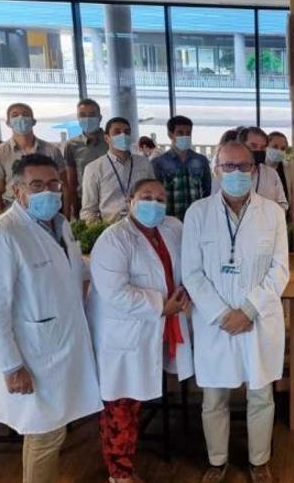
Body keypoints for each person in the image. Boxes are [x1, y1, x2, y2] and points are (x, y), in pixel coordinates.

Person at [0, 154, 102, 483]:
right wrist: (10, 365)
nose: (48, 192)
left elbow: (70, 272)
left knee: (53, 432)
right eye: (36, 185)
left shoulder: (60, 225)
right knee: (43, 435)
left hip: (61, 344)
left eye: (53, 184)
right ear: (16, 191)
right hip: (33, 354)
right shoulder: (2, 235)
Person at [182, 141, 289, 483]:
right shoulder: (197, 213)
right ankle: (217, 460)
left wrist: (248, 310)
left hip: (256, 319)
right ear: (217, 169)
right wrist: (222, 314)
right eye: (229, 167)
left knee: (261, 394)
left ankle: (259, 460)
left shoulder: (272, 213)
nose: (236, 173)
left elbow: (280, 270)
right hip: (216, 322)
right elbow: (191, 273)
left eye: (244, 167)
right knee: (214, 397)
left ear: (255, 171)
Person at [87, 178, 194, 483]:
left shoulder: (172, 228)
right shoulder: (114, 239)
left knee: (135, 398)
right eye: (147, 197)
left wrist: (185, 291)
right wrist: (162, 305)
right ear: (130, 199)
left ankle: (125, 464)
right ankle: (119, 473)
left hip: (156, 326)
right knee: (121, 403)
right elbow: (114, 292)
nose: (155, 204)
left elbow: (185, 265)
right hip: (125, 333)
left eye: (161, 199)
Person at [0, 102, 67, 216]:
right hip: (14, 212)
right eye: (15, 115)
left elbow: (64, 187)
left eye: (25, 114)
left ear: (33, 121)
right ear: (8, 123)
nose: (21, 118)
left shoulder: (52, 151)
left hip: (48, 211)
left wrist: (66, 217)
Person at [81, 117, 156, 223]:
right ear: (107, 138)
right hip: (110, 227)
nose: (123, 135)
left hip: (142, 225)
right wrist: (100, 231)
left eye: (127, 132)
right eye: (117, 132)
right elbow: (88, 211)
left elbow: (154, 195)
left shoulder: (144, 163)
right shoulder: (93, 168)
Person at [212, 127, 289, 211]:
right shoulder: (225, 172)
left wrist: (268, 215)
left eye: (262, 147)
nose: (258, 150)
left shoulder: (271, 173)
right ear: (241, 145)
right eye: (253, 146)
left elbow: (283, 204)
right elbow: (214, 205)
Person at [152, 115, 213, 220]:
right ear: (170, 135)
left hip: (197, 218)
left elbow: (207, 191)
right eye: (180, 133)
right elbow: (156, 194)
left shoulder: (201, 160)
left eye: (188, 133)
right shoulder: (159, 162)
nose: (185, 136)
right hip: (169, 220)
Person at [65, 98, 109, 217]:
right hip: (84, 201)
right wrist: (72, 207)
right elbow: (71, 181)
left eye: (92, 115)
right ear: (78, 119)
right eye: (83, 115)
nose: (87, 119)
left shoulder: (111, 142)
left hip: (110, 200)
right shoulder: (72, 145)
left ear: (100, 118)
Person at [265, 131, 291, 203]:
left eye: (283, 148)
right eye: (275, 147)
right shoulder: (258, 169)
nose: (279, 150)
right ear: (266, 147)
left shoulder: (288, 169)